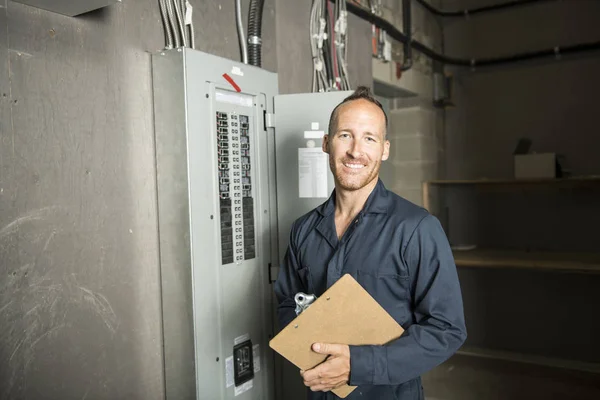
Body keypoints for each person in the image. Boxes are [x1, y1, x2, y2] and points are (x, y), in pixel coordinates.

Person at [274, 86, 467, 400]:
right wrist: (308, 345)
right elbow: (287, 302)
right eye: (345, 135)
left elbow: (447, 329)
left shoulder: (416, 228)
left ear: (385, 149)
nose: (355, 151)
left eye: (369, 138)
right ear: (326, 143)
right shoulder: (303, 230)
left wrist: (358, 365)